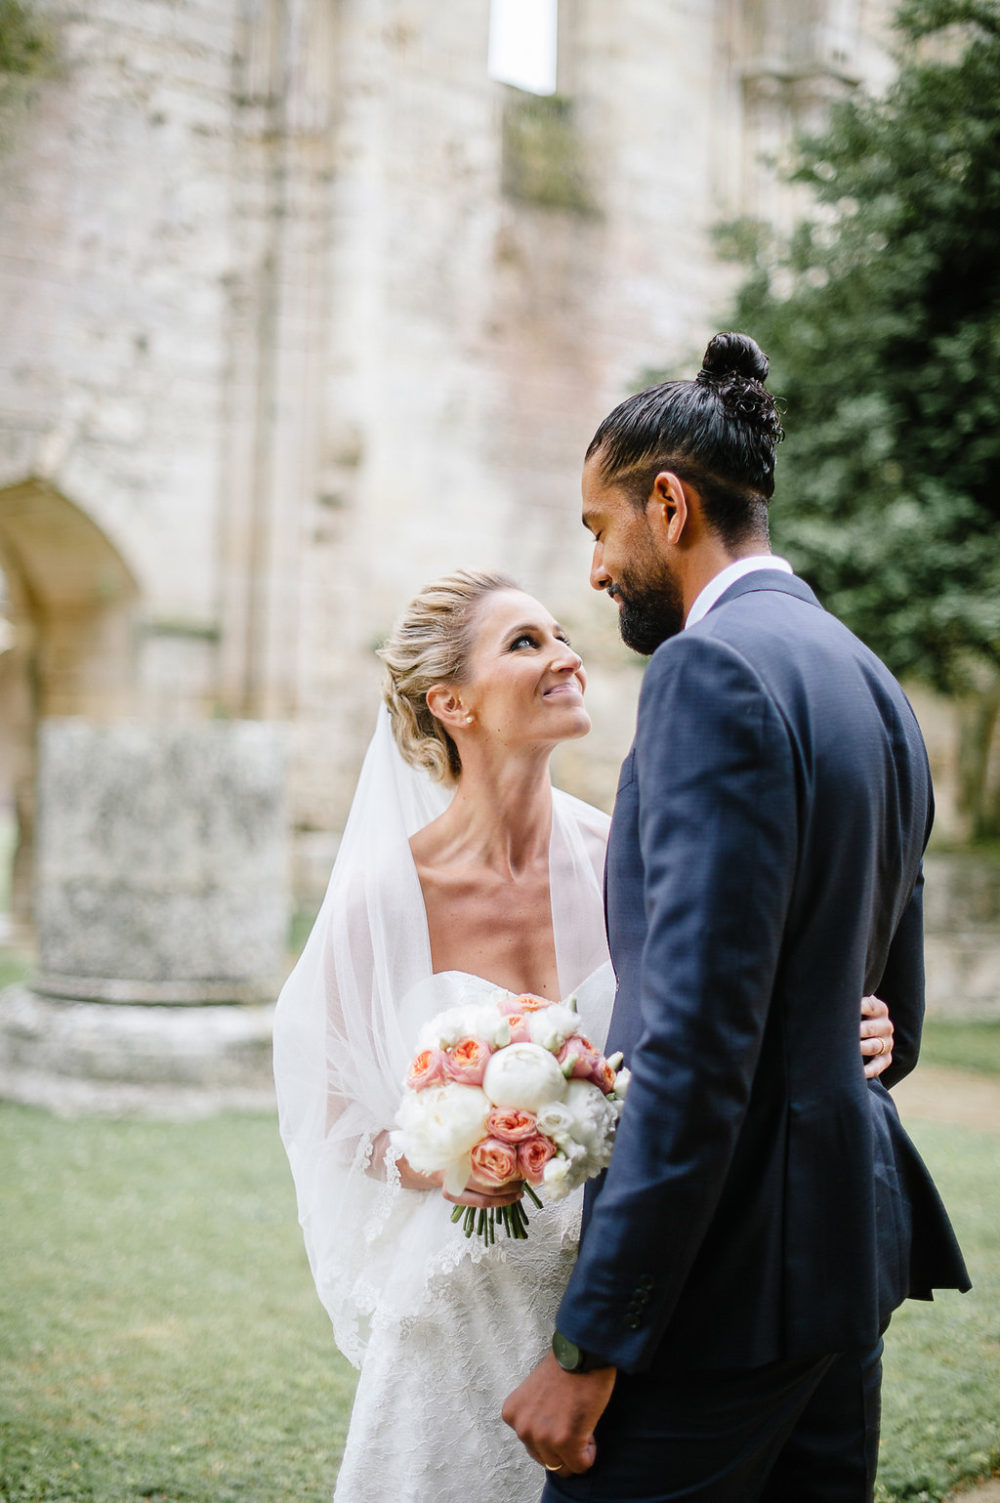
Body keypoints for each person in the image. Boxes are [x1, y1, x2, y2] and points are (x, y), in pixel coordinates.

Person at [272, 567, 896, 1503]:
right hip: (466, 1302)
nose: (567, 656)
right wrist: (461, 1150)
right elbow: (334, 1117)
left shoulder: (631, 857)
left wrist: (852, 1023)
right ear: (451, 702)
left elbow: (725, 1016)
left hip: (642, 1283)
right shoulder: (380, 900)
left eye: (562, 635)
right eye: (526, 643)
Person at [503, 333, 970, 1502]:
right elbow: (887, 1010)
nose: (598, 572)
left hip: (720, 1295)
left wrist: (591, 1340)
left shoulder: (707, 672)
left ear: (667, 505)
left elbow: (696, 1045)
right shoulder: (865, 677)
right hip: (840, 1271)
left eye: (597, 531)